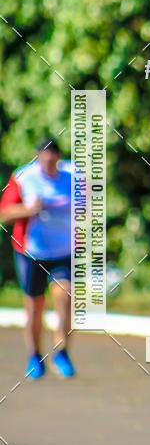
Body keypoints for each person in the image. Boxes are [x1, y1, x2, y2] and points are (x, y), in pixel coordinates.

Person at [0, 138, 75, 379]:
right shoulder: (24, 177)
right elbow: (4, 213)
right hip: (31, 252)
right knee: (35, 305)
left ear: (59, 158)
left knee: (65, 296)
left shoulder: (73, 175)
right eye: (45, 159)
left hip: (63, 251)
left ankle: (61, 353)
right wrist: (29, 210)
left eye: (53, 160)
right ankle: (34, 356)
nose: (49, 164)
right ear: (38, 157)